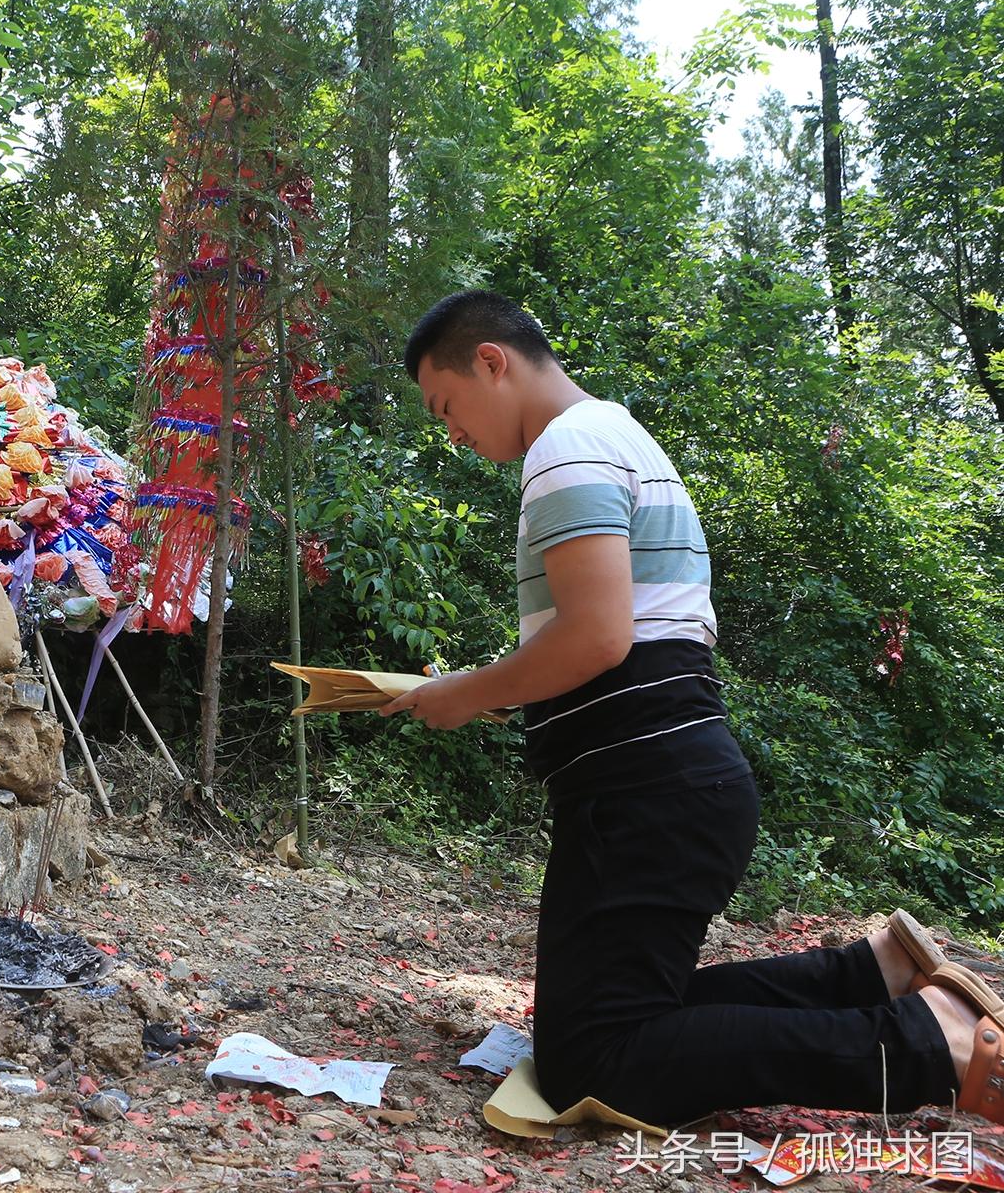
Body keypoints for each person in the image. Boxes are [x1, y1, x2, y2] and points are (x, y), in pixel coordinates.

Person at [379, 290, 1003, 1127]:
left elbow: (599, 637)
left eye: (445, 405)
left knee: (592, 1061)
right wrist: (504, 690)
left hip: (640, 795)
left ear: (491, 362)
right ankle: (873, 976)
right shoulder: (617, 434)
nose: (449, 431)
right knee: (644, 1010)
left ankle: (932, 1047)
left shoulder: (565, 450)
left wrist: (463, 693)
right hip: (667, 781)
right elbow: (630, 642)